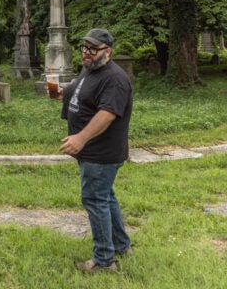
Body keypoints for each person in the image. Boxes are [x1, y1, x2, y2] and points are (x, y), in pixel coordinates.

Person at [58, 28, 133, 273]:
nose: (87, 53)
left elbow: (107, 113)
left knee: (95, 199)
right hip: (94, 153)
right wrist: (64, 93)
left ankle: (104, 261)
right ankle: (121, 246)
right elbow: (81, 89)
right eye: (84, 47)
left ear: (107, 51)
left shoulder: (115, 79)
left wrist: (80, 138)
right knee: (105, 196)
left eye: (93, 49)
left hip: (101, 153)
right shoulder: (90, 69)